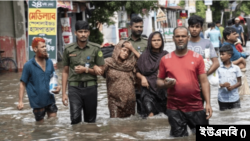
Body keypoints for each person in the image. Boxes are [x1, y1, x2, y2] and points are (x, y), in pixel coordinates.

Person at [157, 27, 212, 137]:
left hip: (196, 106)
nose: (180, 39)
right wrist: (165, 84)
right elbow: (159, 81)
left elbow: (204, 82)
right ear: (173, 38)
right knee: (178, 138)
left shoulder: (197, 58)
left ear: (188, 38)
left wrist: (208, 104)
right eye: (177, 36)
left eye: (183, 36)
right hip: (174, 108)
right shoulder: (165, 59)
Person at [62, 21, 104, 124]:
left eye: (85, 31)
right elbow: (65, 71)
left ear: (89, 33)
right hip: (74, 89)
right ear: (75, 33)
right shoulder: (68, 49)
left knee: (90, 121)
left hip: (91, 88)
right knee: (75, 120)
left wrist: (86, 70)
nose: (83, 34)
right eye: (80, 32)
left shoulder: (95, 48)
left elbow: (101, 71)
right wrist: (63, 93)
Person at [17, 37, 61, 122]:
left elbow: (54, 77)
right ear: (35, 49)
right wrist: (20, 101)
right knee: (40, 127)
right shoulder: (28, 65)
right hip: (37, 102)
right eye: (42, 47)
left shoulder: (49, 62)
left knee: (53, 123)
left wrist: (58, 87)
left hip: (50, 99)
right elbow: (22, 84)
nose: (45, 49)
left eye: (45, 46)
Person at [100, 40, 140, 118]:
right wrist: (89, 69)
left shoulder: (131, 64)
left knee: (130, 126)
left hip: (129, 101)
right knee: (115, 124)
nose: (126, 53)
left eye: (128, 52)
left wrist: (132, 49)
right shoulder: (108, 62)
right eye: (124, 50)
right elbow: (99, 71)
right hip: (114, 100)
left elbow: (144, 61)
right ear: (118, 49)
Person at [187, 15, 220, 104]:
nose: (194, 29)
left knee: (200, 107)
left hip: (202, 84)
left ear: (201, 28)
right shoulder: (184, 43)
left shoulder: (207, 43)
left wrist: (203, 76)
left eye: (197, 27)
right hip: (186, 83)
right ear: (188, 28)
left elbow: (216, 63)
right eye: (192, 26)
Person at [136, 31, 168, 118]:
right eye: (154, 40)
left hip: (162, 90)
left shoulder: (166, 55)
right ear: (150, 42)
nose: (156, 42)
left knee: (163, 115)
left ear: (162, 41)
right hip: (148, 89)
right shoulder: (144, 56)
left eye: (159, 40)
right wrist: (142, 77)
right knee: (150, 113)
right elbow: (136, 71)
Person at [126, 16, 148, 115]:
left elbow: (147, 61)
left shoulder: (147, 43)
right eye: (136, 26)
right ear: (130, 27)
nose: (139, 28)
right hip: (128, 80)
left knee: (143, 109)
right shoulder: (124, 42)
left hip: (142, 79)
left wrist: (132, 49)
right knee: (127, 109)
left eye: (141, 26)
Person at [218, 45, 242, 111]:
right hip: (222, 99)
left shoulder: (236, 68)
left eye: (223, 54)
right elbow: (214, 83)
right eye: (220, 54)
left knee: (235, 116)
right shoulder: (217, 68)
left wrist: (232, 87)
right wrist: (222, 85)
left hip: (234, 98)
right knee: (224, 117)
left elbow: (239, 82)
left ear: (229, 55)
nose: (220, 56)